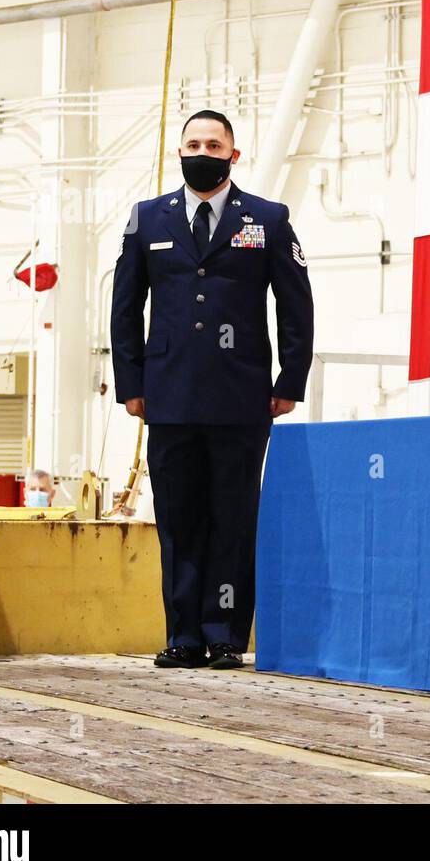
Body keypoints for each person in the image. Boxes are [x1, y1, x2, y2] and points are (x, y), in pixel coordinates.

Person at [111, 110, 314, 670]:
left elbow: (295, 305)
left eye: (214, 143)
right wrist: (131, 381)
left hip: (242, 396)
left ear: (233, 154)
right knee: (179, 518)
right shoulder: (148, 219)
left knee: (232, 516)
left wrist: (289, 380)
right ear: (179, 153)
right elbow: (124, 306)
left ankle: (225, 633)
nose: (204, 150)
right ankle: (182, 636)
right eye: (193, 143)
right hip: (168, 395)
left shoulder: (268, 219)